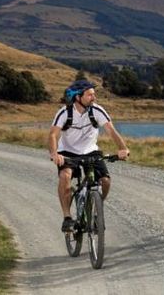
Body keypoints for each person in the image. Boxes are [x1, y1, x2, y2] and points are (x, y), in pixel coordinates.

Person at [48, 79, 130, 233]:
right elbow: (53, 135)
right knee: (65, 176)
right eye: (90, 95)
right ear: (78, 97)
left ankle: (96, 209)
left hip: (91, 151)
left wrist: (123, 149)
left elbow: (111, 131)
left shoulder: (97, 111)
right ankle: (67, 217)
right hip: (67, 152)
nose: (94, 98)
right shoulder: (65, 113)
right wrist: (55, 153)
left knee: (105, 180)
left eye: (94, 94)